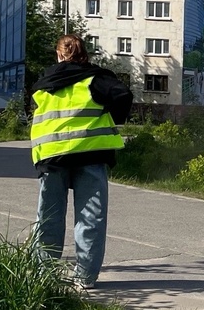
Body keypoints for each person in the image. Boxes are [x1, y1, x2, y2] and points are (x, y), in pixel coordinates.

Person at [30, 35, 133, 288]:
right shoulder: (96, 79)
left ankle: (45, 274)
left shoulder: (43, 84)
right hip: (90, 153)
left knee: (49, 216)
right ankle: (85, 277)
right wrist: (112, 116)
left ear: (58, 55)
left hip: (52, 156)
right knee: (90, 217)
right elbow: (123, 95)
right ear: (84, 54)